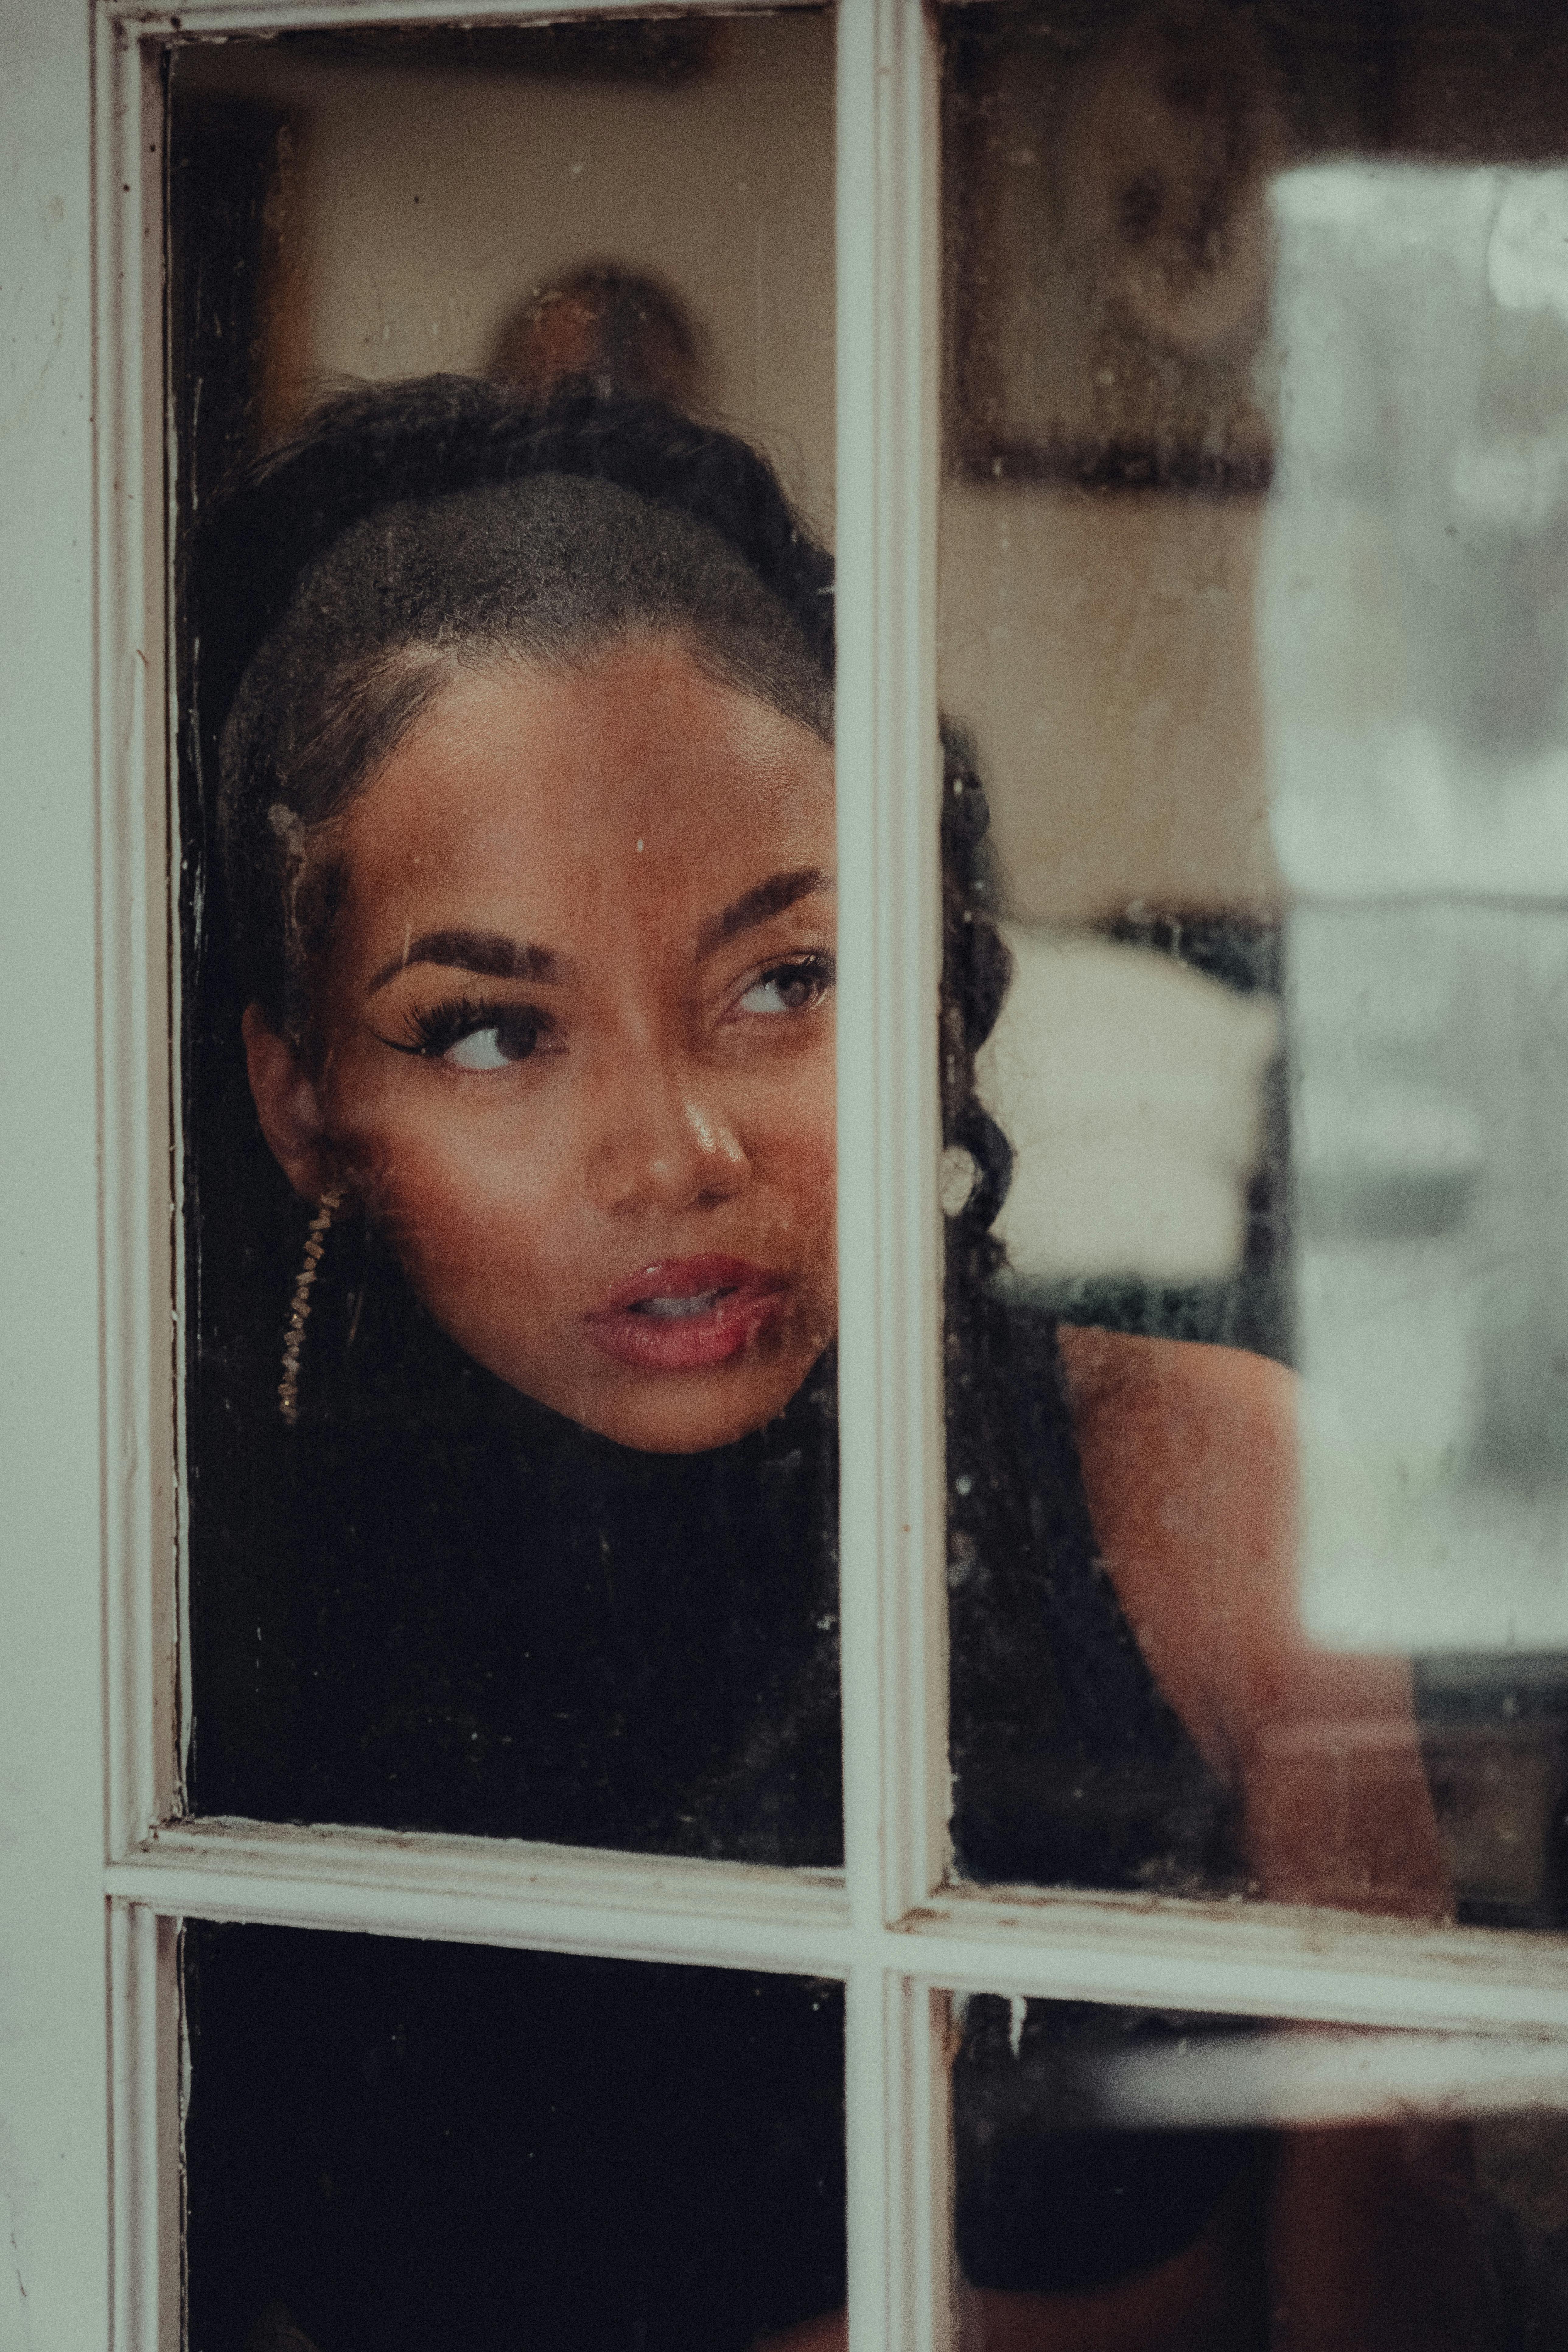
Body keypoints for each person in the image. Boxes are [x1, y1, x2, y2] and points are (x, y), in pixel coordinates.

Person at [186, 375, 1484, 2352]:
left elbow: (1404, 2296)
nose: (675, 1157)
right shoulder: (189, 1647)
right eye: (485, 1032)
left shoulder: (1217, 1497)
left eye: (785, 981)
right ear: (301, 1104)